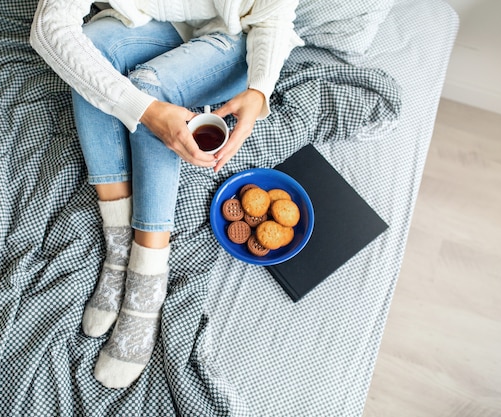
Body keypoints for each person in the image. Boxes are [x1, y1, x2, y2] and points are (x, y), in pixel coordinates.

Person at [30, 0, 303, 388]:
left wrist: (259, 90)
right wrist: (144, 112)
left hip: (236, 36)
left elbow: (273, 14)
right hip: (164, 24)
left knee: (149, 84)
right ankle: (120, 246)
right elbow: (49, 27)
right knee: (88, 47)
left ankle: (149, 276)